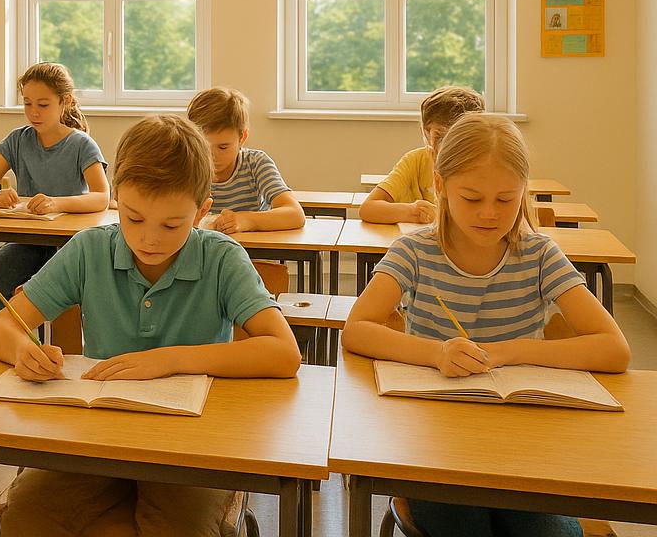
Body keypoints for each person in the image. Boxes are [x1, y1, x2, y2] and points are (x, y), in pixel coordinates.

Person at [0, 115, 300, 535]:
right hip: (97, 434)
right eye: (134, 219)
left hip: (192, 443)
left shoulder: (221, 257)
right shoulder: (90, 249)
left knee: (181, 528)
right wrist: (24, 350)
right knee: (27, 517)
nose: (150, 239)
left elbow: (284, 353)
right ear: (116, 199)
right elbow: (0, 328)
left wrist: (167, 360)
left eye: (172, 225)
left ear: (202, 210)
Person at [343, 114, 628, 537]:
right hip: (434, 441)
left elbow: (614, 349)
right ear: (440, 187)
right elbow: (357, 329)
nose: (490, 214)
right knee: (464, 526)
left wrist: (509, 351)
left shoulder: (538, 254)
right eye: (472, 199)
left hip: (524, 442)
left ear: (522, 194)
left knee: (544, 532)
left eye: (506, 200)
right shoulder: (415, 251)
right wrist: (436, 352)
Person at [0, 62, 108, 320]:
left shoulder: (81, 144)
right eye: (27, 103)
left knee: (62, 295)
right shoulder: (17, 140)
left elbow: (102, 196)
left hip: (69, 243)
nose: (34, 112)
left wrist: (57, 203)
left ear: (64, 101)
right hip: (29, 240)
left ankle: (63, 351)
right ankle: (13, 343)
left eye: (43, 105)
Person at [186, 87, 304, 233]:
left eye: (223, 147)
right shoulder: (186, 167)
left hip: (251, 251)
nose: (212, 156)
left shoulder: (255, 164)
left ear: (242, 138)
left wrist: (246, 220)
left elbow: (295, 214)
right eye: (203, 146)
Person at [360, 86, 484, 224]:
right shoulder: (415, 161)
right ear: (425, 133)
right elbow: (368, 209)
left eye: (458, 136)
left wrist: (440, 218)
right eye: (439, 135)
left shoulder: (485, 166)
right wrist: (414, 211)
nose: (447, 144)